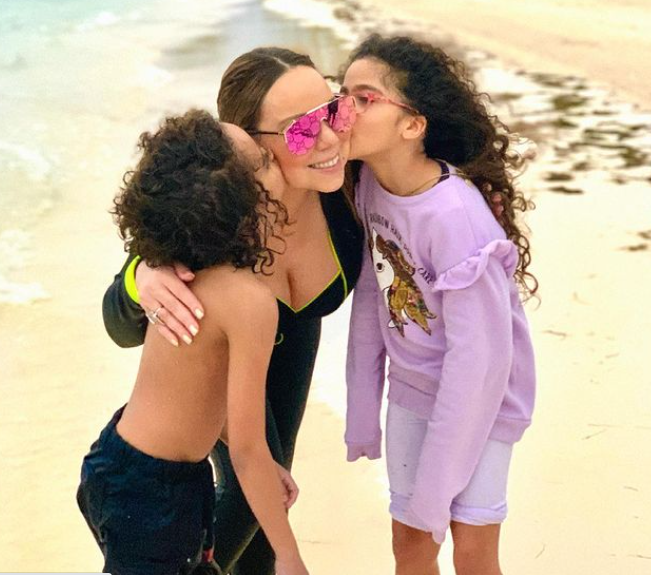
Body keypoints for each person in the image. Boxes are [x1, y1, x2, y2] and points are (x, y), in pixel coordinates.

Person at [100, 49, 364, 575]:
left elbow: (419, 132)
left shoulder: (348, 181)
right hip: (218, 358)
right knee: (250, 492)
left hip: (291, 335)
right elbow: (118, 323)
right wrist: (142, 274)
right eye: (300, 130)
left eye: (333, 111)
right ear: (246, 143)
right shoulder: (213, 220)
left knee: (273, 483)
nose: (329, 138)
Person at [77, 109, 310, 575]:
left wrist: (267, 467)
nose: (276, 159)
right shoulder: (250, 303)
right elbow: (247, 452)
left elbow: (199, 399)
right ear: (249, 204)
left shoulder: (184, 272)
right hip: (154, 497)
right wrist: (288, 555)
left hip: (121, 466)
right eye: (263, 160)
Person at [341, 34, 537, 575]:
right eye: (342, 95)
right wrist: (363, 410)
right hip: (412, 387)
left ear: (413, 125)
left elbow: (480, 361)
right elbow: (373, 294)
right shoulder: (368, 183)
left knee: (472, 553)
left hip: (483, 398)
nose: (344, 110)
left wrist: (435, 487)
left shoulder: (455, 217)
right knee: (410, 545)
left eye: (364, 98)